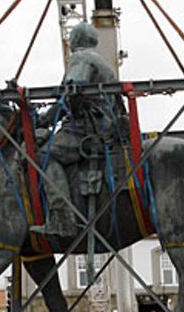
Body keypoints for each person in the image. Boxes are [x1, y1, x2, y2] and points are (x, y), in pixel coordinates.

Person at [32, 22, 120, 239]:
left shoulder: (81, 58)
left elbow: (72, 93)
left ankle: (62, 219)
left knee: (45, 154)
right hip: (104, 126)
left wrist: (44, 120)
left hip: (88, 129)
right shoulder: (99, 60)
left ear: (75, 41)